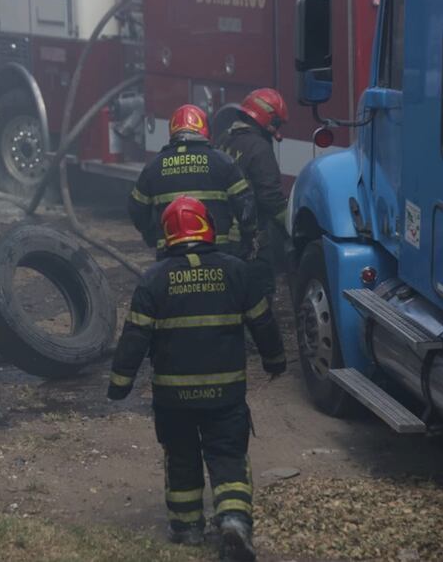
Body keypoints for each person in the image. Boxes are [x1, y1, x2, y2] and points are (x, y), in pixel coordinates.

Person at [107, 196, 286, 562]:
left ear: (167, 234)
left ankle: (187, 528)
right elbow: (263, 323)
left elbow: (134, 339)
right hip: (226, 394)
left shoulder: (153, 280)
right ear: (208, 227)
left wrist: (119, 385)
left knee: (182, 457)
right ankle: (234, 520)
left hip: (174, 399)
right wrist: (275, 360)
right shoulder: (238, 272)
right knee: (229, 456)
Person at [128, 104, 257, 259]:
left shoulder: (153, 167)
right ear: (205, 129)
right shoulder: (223, 162)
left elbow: (136, 209)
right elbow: (245, 205)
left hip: (170, 252)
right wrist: (245, 239)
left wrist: (152, 236)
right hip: (217, 251)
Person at [215, 88, 290, 300]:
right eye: (277, 124)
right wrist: (292, 224)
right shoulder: (259, 148)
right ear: (267, 118)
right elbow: (271, 198)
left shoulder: (223, 140)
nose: (277, 132)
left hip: (219, 238)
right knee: (257, 301)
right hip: (250, 244)